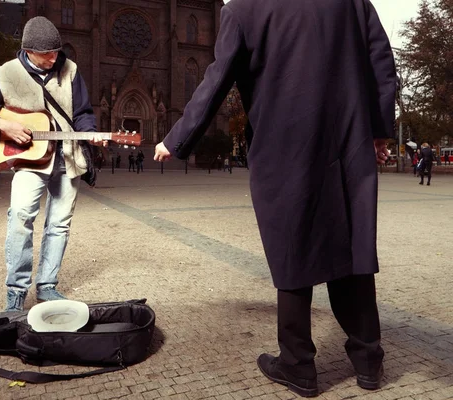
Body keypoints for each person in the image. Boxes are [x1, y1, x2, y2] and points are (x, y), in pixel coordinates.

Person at [154, 0, 396, 397]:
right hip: (348, 141)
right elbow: (380, 61)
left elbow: (217, 77)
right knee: (350, 249)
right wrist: (379, 129)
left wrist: (176, 138)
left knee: (292, 251)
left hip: (285, 148)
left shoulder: (245, 9)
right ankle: (369, 361)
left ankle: (299, 367)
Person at [0, 16, 105, 311]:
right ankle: (16, 290)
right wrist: (2, 124)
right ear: (27, 50)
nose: (54, 58)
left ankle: (47, 287)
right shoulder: (7, 74)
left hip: (67, 157)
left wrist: (90, 132)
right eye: (47, 54)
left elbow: (83, 112)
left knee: (59, 224)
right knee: (21, 219)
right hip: (30, 161)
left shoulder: (70, 70)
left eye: (57, 52)